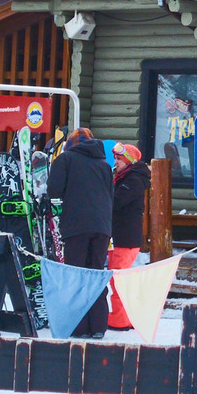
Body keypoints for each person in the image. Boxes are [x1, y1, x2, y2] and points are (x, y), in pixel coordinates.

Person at [47, 128, 112, 338]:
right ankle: (99, 326)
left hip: (76, 225)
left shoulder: (66, 159)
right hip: (102, 227)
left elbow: (54, 190)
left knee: (76, 276)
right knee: (96, 274)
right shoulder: (104, 163)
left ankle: (79, 327)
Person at [107, 143, 149, 331]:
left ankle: (120, 320)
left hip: (125, 238)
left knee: (119, 280)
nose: (115, 162)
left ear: (128, 161)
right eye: (115, 158)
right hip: (122, 237)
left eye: (118, 159)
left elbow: (115, 202)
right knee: (118, 279)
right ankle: (123, 316)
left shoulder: (133, 180)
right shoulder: (126, 178)